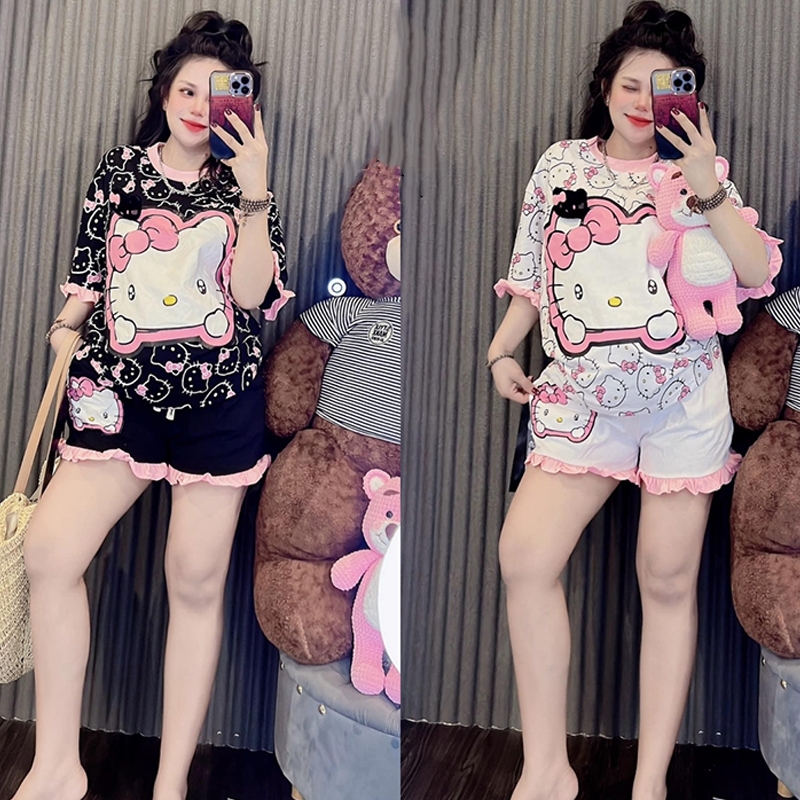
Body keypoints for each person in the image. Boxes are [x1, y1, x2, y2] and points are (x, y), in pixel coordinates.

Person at [487, 3, 781, 800]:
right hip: (581, 402)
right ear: (605, 87)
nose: (644, 103)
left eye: (665, 89)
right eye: (629, 85)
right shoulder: (560, 166)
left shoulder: (699, 179)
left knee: (666, 580)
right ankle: (546, 770)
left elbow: (756, 274)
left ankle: (648, 784)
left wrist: (707, 184)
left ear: (689, 102)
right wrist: (503, 349)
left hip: (684, 401)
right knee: (525, 557)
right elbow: (532, 271)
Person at [14, 11, 291, 800]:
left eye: (218, 93)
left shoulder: (245, 189)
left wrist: (255, 192)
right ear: (163, 94)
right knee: (50, 553)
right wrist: (64, 328)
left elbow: (251, 297)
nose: (199, 105)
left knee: (195, 585)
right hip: (116, 399)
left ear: (242, 107)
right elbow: (90, 273)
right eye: (186, 89)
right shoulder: (119, 172)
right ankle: (56, 766)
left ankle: (170, 786)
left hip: (220, 405)